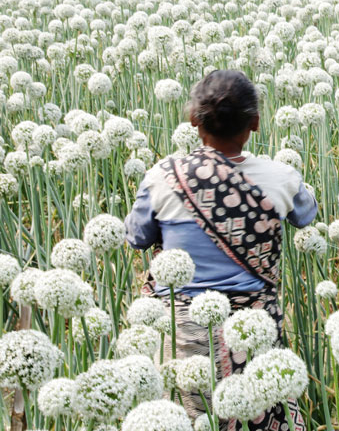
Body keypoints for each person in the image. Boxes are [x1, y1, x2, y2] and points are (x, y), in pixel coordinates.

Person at [126, 70, 316, 431]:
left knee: (189, 419)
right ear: (255, 123)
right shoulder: (281, 176)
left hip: (183, 328)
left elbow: (137, 236)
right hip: (255, 327)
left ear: (195, 121)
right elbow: (306, 216)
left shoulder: (163, 176)